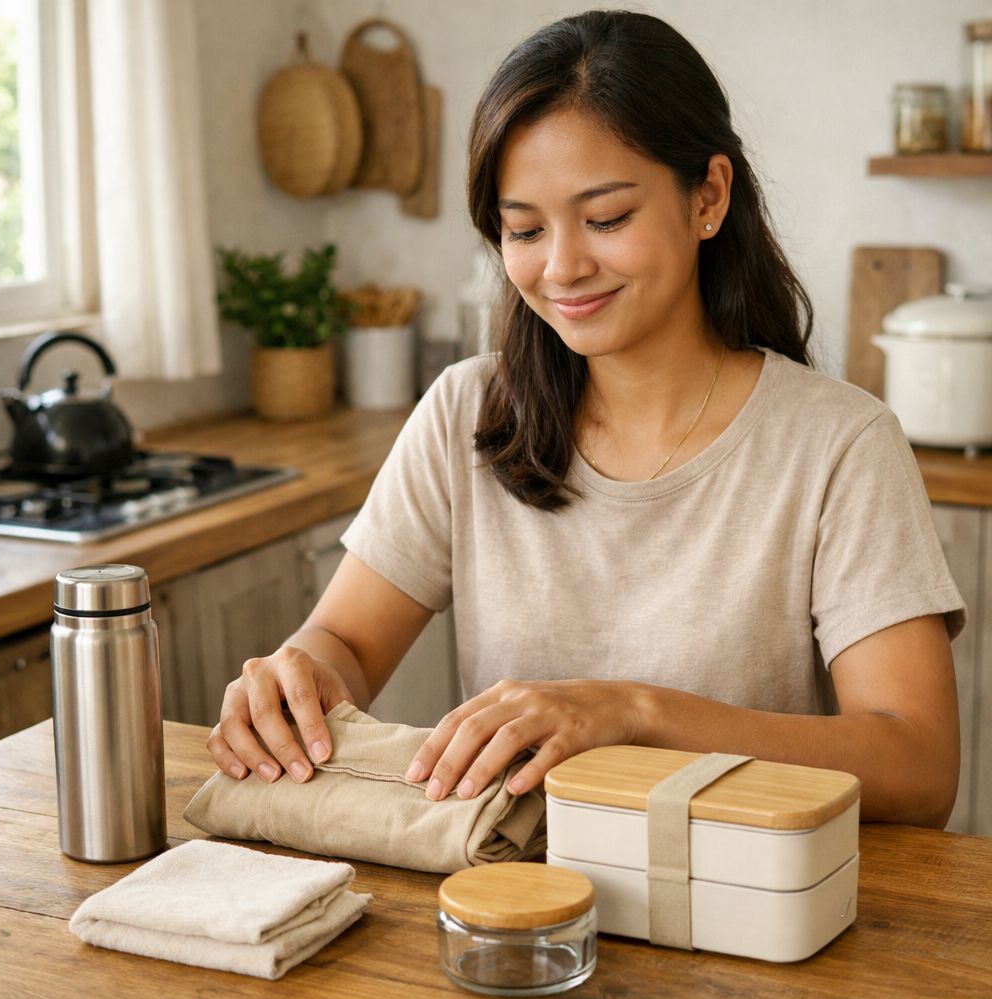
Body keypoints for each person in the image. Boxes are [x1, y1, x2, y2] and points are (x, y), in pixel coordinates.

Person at [208, 10, 965, 827]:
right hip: (510, 887)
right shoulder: (466, 412)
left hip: (740, 892)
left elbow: (918, 765)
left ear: (708, 197)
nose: (562, 267)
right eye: (524, 229)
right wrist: (299, 678)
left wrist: (637, 713)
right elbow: (347, 645)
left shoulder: (840, 445)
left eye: (606, 219)